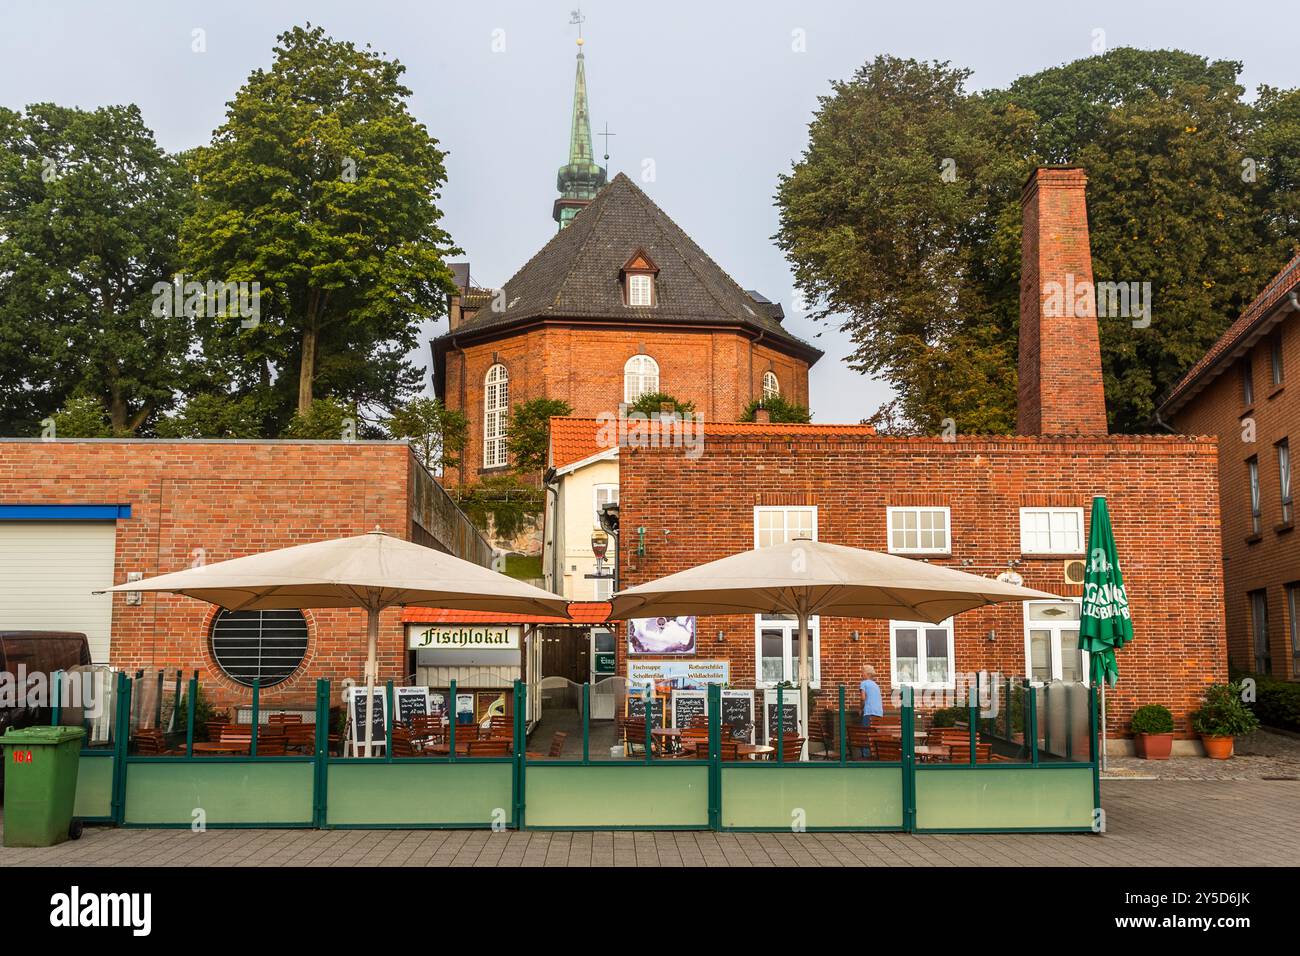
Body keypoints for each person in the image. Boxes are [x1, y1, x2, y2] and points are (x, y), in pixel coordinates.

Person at [859, 664, 883, 758]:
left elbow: (863, 698)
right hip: (879, 714)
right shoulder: (876, 686)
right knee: (875, 735)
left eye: (863, 672)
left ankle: (866, 756)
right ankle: (875, 754)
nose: (861, 674)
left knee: (866, 735)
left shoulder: (864, 683)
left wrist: (860, 709)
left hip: (869, 712)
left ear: (867, 674)